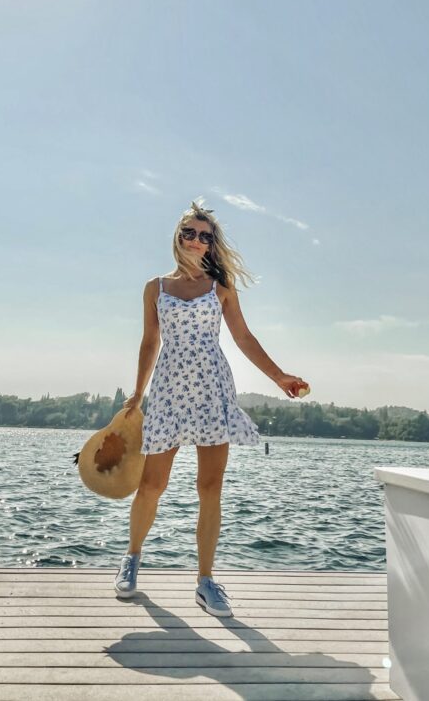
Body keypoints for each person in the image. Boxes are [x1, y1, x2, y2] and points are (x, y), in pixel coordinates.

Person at [114, 200, 310, 616]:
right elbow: (150, 344)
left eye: (206, 235)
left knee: (210, 489)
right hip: (167, 391)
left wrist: (280, 377)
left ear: (211, 244)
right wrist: (136, 396)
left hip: (212, 390)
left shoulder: (220, 286)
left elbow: (242, 337)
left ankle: (205, 581)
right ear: (178, 237)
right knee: (152, 484)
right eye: (190, 232)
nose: (197, 240)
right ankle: (131, 559)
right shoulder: (156, 288)